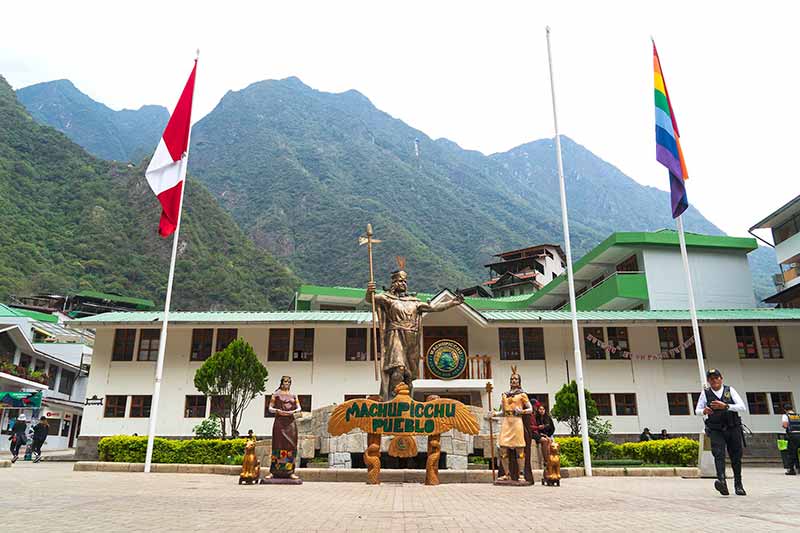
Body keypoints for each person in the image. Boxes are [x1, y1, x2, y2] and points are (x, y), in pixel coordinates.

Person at [367, 257, 463, 400]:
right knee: (398, 368)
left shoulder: (415, 302)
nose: (403, 284)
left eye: (405, 281)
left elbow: (434, 308)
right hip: (395, 336)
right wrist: (370, 291)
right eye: (400, 281)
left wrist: (453, 302)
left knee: (408, 375)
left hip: (412, 339)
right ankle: (393, 399)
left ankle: (408, 400)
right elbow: (372, 299)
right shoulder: (388, 299)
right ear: (393, 283)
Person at [695, 368, 747, 496]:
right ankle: (722, 481)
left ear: (721, 378)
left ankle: (738, 484)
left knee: (736, 456)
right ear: (708, 381)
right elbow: (697, 410)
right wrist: (704, 411)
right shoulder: (705, 393)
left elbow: (742, 407)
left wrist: (726, 406)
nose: (714, 380)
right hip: (716, 429)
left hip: (732, 428)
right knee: (718, 454)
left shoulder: (730, 391)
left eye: (716, 378)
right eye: (711, 378)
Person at [490, 367, 533, 482]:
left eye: (516, 379)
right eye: (512, 379)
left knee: (520, 449)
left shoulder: (522, 394)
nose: (513, 381)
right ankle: (507, 474)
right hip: (507, 422)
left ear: (519, 381)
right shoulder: (504, 395)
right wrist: (494, 413)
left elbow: (531, 409)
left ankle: (521, 474)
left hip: (517, 421)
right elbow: (503, 412)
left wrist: (522, 411)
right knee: (503, 448)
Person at [266, 376, 301, 480]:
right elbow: (270, 408)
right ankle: (274, 471)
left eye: (289, 382)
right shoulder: (275, 394)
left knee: (290, 446)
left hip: (290, 422)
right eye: (285, 381)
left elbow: (299, 408)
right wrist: (277, 411)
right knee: (278, 445)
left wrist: (293, 411)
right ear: (281, 382)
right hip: (279, 422)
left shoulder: (293, 395)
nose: (287, 383)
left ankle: (290, 472)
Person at [531, 403, 555, 469]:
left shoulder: (548, 417)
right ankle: (547, 460)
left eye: (543, 409)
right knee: (547, 441)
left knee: (550, 441)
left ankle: (550, 459)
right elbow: (536, 428)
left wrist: (548, 435)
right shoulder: (536, 417)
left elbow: (552, 428)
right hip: (539, 434)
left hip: (548, 434)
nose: (542, 411)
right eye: (540, 409)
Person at [781, 403, 800, 475]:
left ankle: (791, 470)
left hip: (792, 435)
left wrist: (783, 425)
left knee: (791, 452)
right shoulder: (797, 415)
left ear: (785, 409)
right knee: (798, 453)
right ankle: (799, 468)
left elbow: (785, 425)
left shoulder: (785, 416)